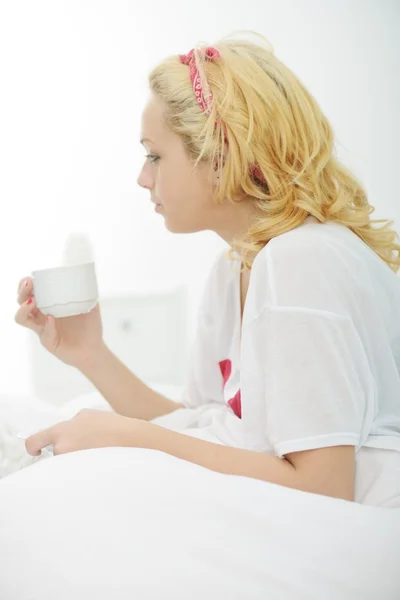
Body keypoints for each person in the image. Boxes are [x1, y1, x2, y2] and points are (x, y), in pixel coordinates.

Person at [14, 33, 400, 506]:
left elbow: (323, 488)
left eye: (155, 154)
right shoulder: (236, 265)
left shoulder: (302, 261)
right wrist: (89, 353)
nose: (143, 177)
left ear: (223, 153)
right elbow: (202, 424)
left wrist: (132, 438)